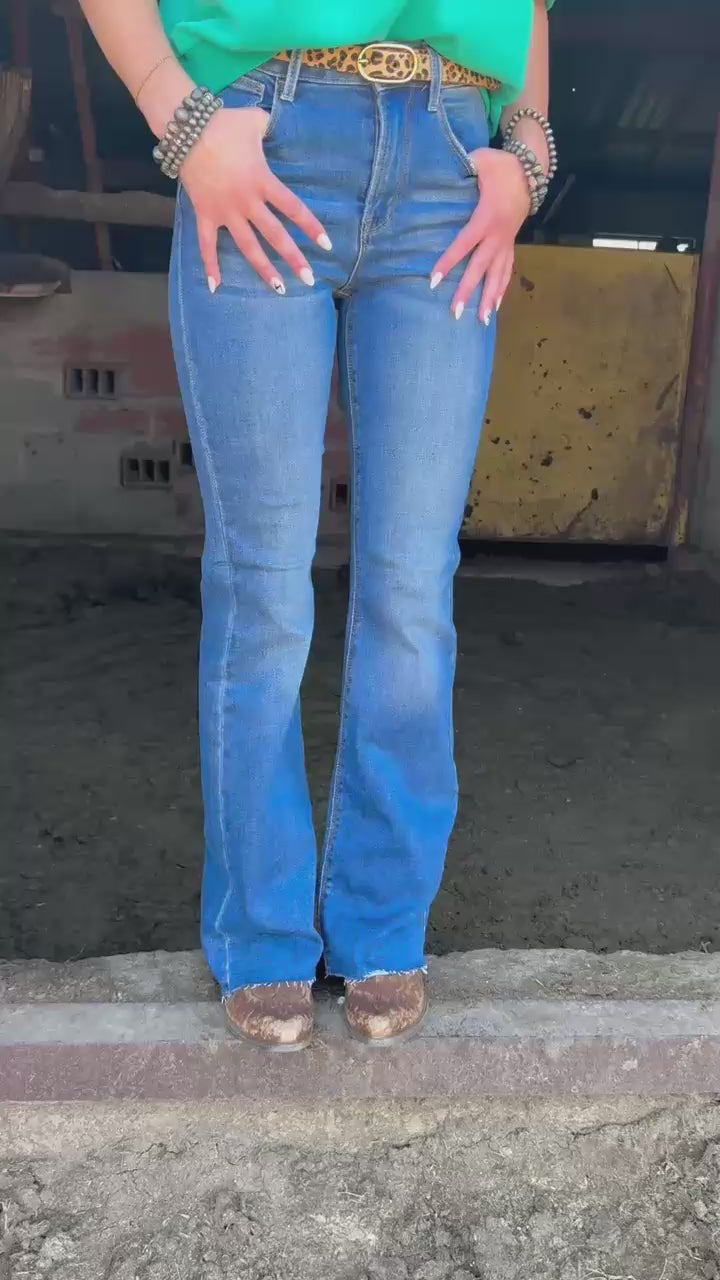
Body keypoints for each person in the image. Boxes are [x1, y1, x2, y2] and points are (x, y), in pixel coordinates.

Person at [79, 0, 554, 1051]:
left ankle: (382, 925)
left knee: (412, 585)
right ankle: (263, 932)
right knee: (263, 582)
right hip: (266, 130)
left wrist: (527, 152)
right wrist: (180, 119)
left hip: (448, 156)